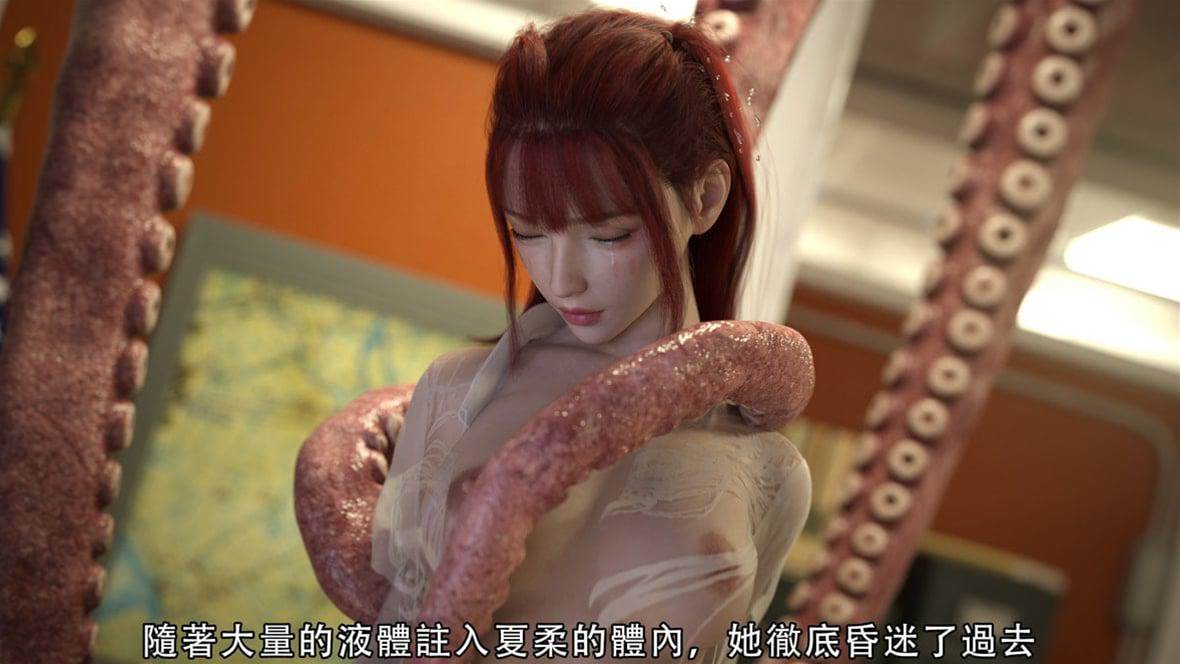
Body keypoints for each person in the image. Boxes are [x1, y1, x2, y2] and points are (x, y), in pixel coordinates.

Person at [369, 8, 811, 662]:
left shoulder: (772, 472)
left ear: (705, 199)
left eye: (608, 235)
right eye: (527, 232)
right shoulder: (454, 394)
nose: (562, 279)